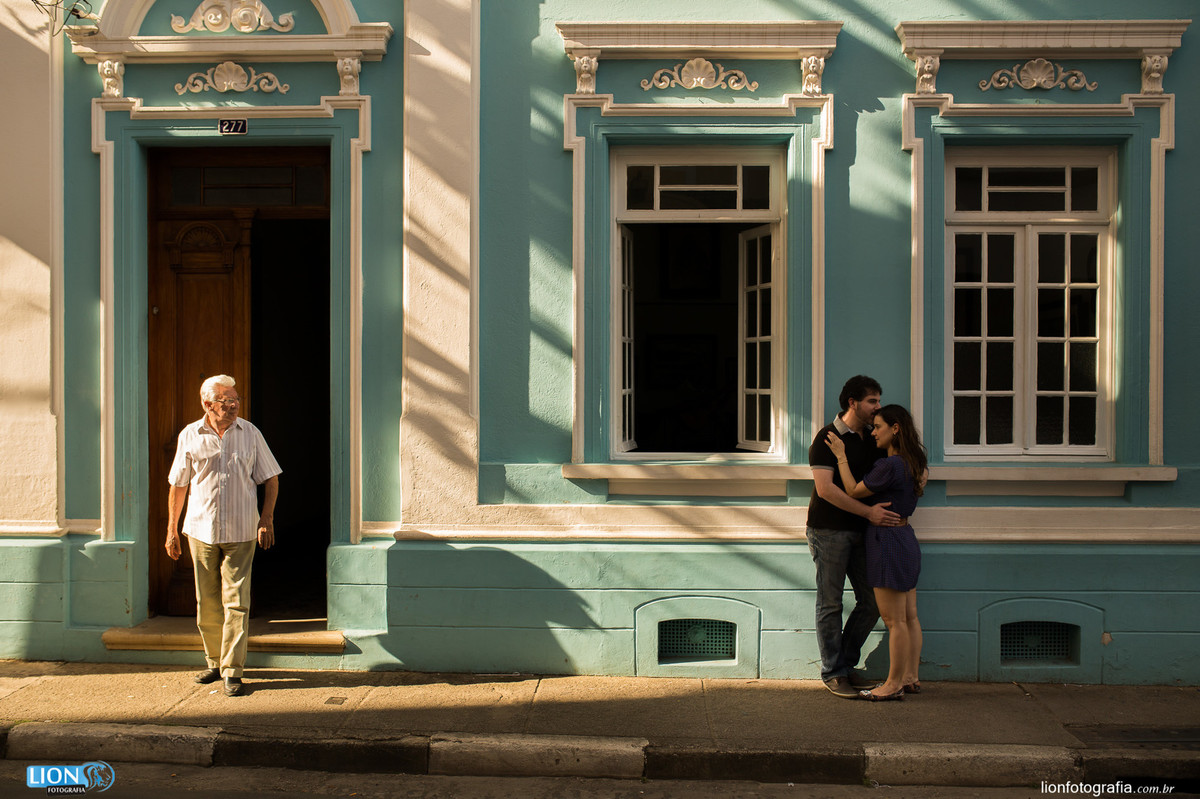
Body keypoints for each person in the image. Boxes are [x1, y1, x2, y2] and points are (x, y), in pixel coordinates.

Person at [165, 375, 281, 697]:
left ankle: (233, 670)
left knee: (237, 602)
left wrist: (266, 519)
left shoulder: (250, 433)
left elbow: (271, 478)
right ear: (208, 404)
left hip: (242, 530)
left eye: (236, 400)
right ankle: (214, 662)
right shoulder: (190, 435)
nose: (233, 406)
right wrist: (171, 529)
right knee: (207, 602)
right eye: (226, 401)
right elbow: (178, 485)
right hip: (201, 529)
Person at [807, 375, 903, 699]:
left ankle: (845, 665)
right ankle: (833, 672)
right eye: (872, 401)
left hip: (864, 533)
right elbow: (825, 490)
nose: (878, 406)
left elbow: (895, 464)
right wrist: (868, 513)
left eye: (878, 400)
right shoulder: (827, 437)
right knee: (830, 603)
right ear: (853, 402)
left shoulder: (873, 438)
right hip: (828, 531)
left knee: (873, 602)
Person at [827, 403, 928, 701]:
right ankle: (910, 677)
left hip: (887, 542)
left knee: (895, 621)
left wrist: (841, 456)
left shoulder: (890, 465)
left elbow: (853, 490)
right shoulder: (915, 463)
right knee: (909, 617)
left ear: (895, 429)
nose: (873, 432)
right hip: (906, 538)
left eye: (879, 427)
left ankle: (893, 684)